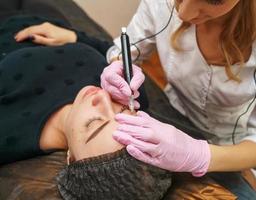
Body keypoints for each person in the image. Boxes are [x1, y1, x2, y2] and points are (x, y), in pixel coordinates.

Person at [98, 0, 256, 199]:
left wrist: (200, 155)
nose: (184, 13)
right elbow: (125, 51)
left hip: (232, 148)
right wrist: (118, 65)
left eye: (214, 0)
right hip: (169, 114)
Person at [0, 15, 171, 199]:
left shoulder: (9, 132)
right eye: (123, 110)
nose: (103, 96)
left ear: (70, 158)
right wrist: (74, 37)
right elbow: (109, 52)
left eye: (94, 123)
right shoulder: (133, 93)